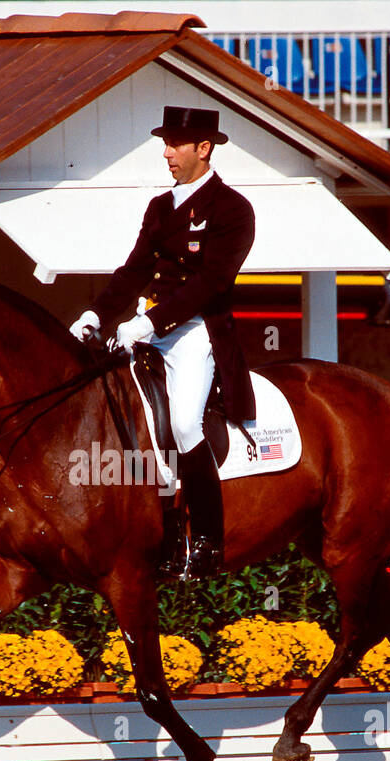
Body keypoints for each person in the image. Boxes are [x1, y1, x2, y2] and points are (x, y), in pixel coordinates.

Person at [68, 105, 256, 579]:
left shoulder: (232, 210)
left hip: (195, 332)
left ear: (203, 148)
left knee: (186, 425)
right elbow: (133, 269)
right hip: (143, 327)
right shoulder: (159, 207)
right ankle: (161, 536)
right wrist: (97, 313)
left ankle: (209, 541)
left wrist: (152, 323)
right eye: (165, 144)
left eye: (175, 145)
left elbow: (209, 284)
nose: (166, 153)